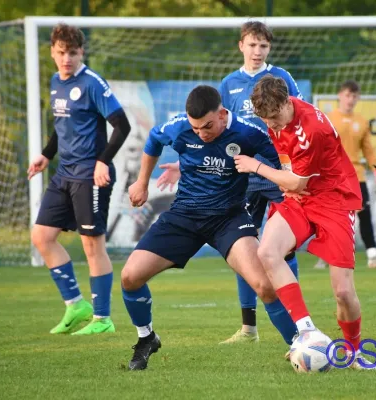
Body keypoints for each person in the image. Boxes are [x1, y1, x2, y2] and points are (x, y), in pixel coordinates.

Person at [121, 85, 298, 371]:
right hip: (184, 216)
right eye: (195, 128)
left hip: (229, 218)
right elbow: (153, 140)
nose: (201, 133)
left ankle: (300, 346)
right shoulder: (180, 127)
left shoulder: (248, 133)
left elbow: (281, 163)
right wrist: (142, 182)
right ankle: (146, 338)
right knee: (130, 276)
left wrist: (290, 188)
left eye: (207, 126)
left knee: (265, 285)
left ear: (222, 114)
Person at [156, 21, 302, 345]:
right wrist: (185, 165)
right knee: (244, 244)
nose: (257, 51)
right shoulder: (228, 83)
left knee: (287, 242)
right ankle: (249, 328)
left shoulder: (282, 79)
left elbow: (296, 120)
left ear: (269, 49)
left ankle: (297, 317)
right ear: (241, 46)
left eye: (263, 46)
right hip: (241, 173)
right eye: (252, 45)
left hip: (274, 168)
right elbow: (212, 136)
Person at [234, 75, 376, 370]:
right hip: (300, 199)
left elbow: (298, 183)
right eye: (265, 120)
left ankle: (353, 352)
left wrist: (255, 166)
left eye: (274, 118)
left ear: (287, 103)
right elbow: (294, 180)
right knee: (267, 252)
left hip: (333, 200)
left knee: (343, 292)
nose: (271, 125)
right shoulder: (274, 116)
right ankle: (307, 331)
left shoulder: (311, 129)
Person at [27, 23, 131, 335]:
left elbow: (122, 126)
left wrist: (103, 161)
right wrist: (46, 154)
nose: (67, 58)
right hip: (64, 173)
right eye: (61, 53)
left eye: (72, 53)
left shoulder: (92, 84)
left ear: (81, 52)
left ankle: (102, 319)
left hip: (90, 174)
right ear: (52, 53)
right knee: (42, 237)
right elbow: (62, 126)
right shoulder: (55, 82)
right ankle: (75, 304)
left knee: (91, 245)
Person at [313, 80, 376, 270]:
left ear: (358, 98)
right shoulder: (328, 118)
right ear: (340, 95)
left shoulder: (361, 122)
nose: (350, 100)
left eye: (354, 96)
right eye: (347, 95)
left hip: (356, 176)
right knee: (332, 216)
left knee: (364, 213)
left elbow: (369, 152)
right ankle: (325, 255)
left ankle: (373, 257)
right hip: (333, 176)